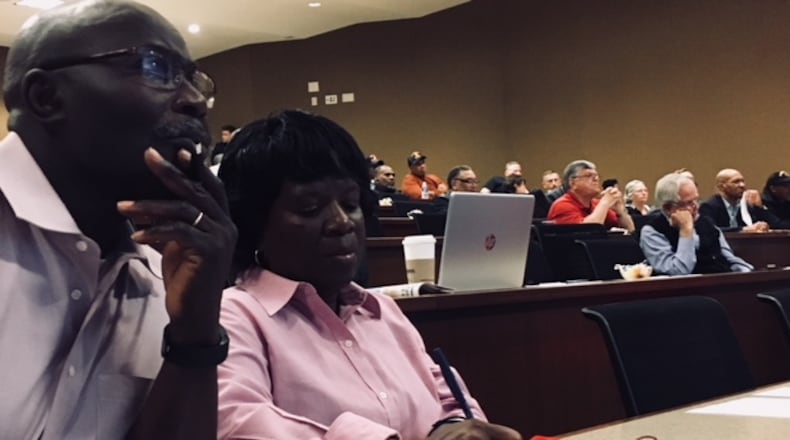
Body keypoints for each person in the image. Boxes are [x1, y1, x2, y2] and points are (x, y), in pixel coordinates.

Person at [0, 1, 237, 439]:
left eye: (193, 79)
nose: (194, 101)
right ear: (47, 97)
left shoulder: (170, 269)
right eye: (154, 67)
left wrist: (195, 332)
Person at [216, 110, 521, 440]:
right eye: (309, 208)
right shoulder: (233, 315)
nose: (341, 222)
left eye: (350, 203)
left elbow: (448, 398)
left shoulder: (382, 310)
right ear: (253, 224)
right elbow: (237, 422)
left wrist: (455, 430)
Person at [640, 173, 752, 275]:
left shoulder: (706, 223)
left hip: (720, 284)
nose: (696, 207)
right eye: (689, 203)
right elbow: (678, 271)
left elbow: (729, 259)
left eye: (696, 200)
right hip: (686, 292)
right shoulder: (652, 231)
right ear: (668, 208)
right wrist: (686, 231)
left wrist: (747, 272)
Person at [547, 160, 635, 232]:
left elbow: (630, 230)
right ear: (573, 183)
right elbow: (590, 231)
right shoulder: (562, 206)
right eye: (589, 175)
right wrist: (604, 203)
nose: (596, 179)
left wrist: (620, 212)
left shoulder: (596, 204)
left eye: (596, 176)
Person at [698, 168, 789, 232]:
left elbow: (775, 225)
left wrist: (761, 222)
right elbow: (711, 230)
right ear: (722, 187)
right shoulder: (709, 206)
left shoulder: (747, 205)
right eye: (736, 182)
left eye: (743, 181)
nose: (742, 185)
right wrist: (743, 229)